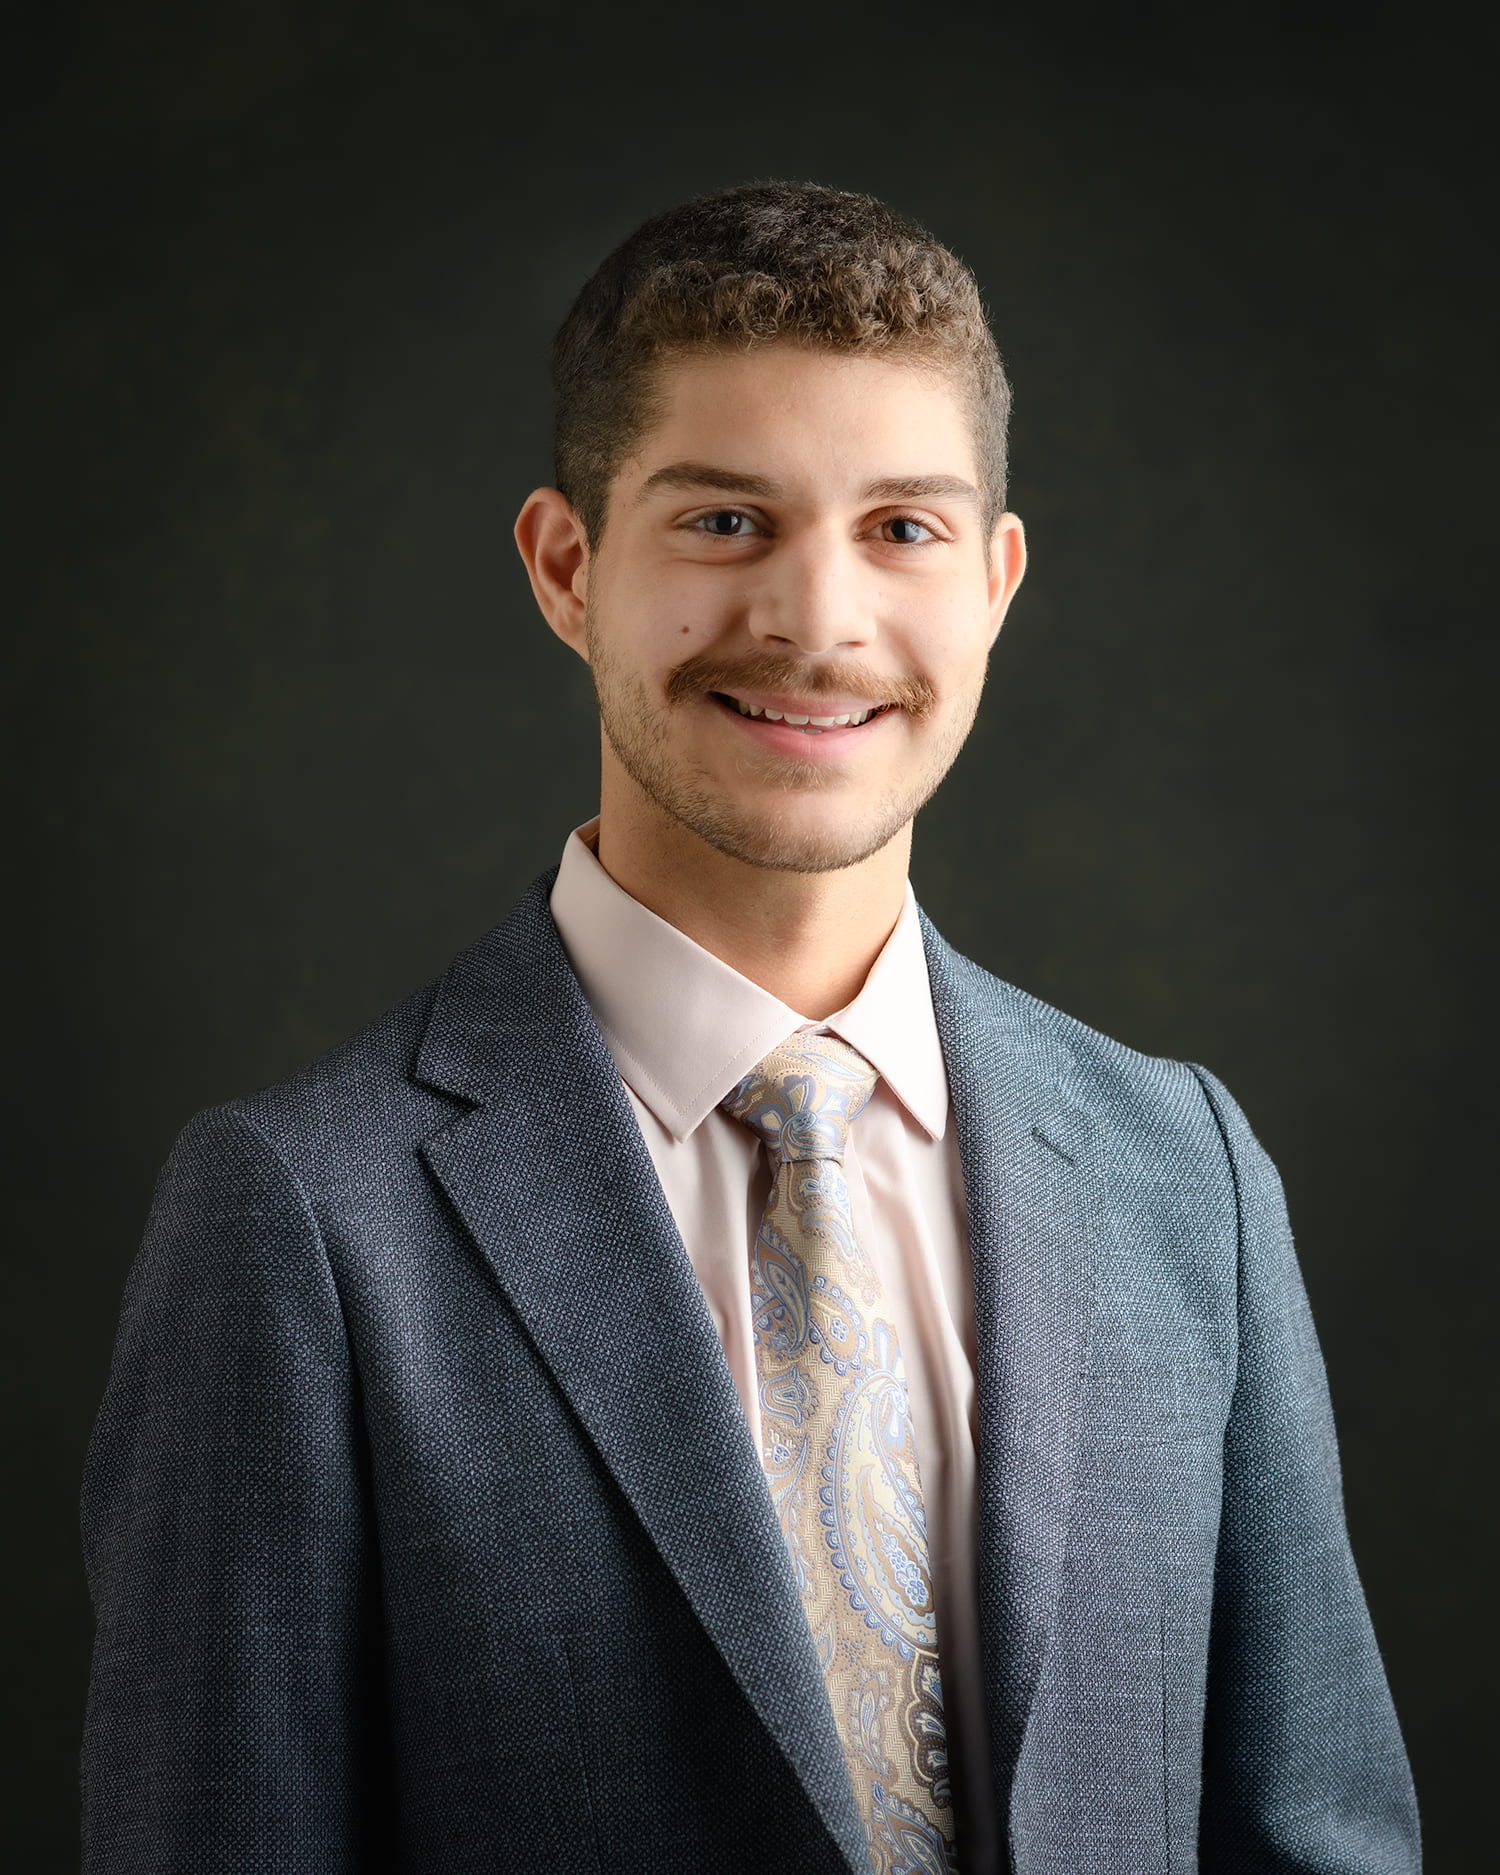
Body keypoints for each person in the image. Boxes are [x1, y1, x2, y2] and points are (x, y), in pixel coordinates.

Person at [80, 180, 1420, 1875]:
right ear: (569, 568)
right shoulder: (296, 1218)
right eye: (724, 522)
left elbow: (1319, 1842)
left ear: (998, 582)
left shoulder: (1188, 1176)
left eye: (903, 529)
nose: (817, 621)